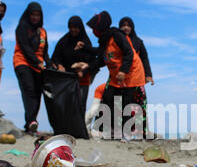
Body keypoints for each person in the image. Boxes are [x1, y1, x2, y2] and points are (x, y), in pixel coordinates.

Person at [86, 11, 145, 139]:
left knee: (126, 102)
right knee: (108, 98)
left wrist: (123, 70)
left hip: (131, 73)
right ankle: (111, 129)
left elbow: (129, 53)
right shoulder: (105, 40)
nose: (93, 32)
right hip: (116, 76)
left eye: (94, 29)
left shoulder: (117, 35)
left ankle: (127, 133)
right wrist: (88, 67)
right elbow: (102, 58)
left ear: (101, 27)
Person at [13, 2, 54, 134]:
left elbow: (45, 52)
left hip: (39, 66)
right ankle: (32, 121)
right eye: (33, 15)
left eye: (38, 15)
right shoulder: (22, 28)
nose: (35, 17)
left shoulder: (42, 32)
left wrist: (50, 64)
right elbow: (25, 48)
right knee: (29, 90)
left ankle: (30, 124)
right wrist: (37, 62)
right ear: (28, 15)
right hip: (23, 62)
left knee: (37, 93)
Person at [52, 16, 98, 115]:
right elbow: (55, 57)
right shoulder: (64, 41)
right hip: (67, 80)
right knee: (67, 105)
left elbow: (93, 62)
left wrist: (83, 71)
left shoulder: (85, 42)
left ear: (80, 28)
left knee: (80, 105)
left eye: (76, 27)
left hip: (82, 79)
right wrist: (59, 65)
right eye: (71, 27)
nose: (73, 30)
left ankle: (79, 129)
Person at [119, 16, 153, 137]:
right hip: (123, 79)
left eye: (128, 25)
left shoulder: (138, 42)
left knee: (139, 105)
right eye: (123, 25)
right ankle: (124, 131)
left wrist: (148, 75)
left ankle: (142, 131)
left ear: (132, 27)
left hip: (138, 78)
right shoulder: (118, 41)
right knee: (123, 105)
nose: (126, 28)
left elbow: (144, 58)